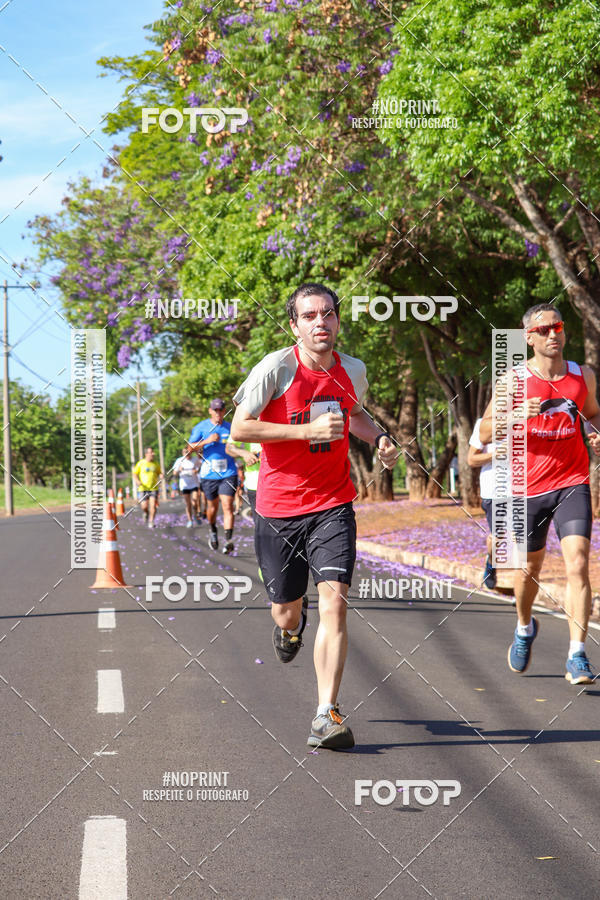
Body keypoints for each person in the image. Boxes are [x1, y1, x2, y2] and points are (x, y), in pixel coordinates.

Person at [231, 282, 397, 750]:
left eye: (328, 314)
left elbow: (354, 416)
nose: (320, 322)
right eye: (309, 316)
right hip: (279, 508)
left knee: (336, 603)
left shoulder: (353, 370)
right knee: (285, 612)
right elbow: (241, 427)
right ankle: (291, 625)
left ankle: (326, 713)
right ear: (294, 325)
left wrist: (379, 438)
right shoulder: (276, 369)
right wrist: (303, 431)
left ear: (338, 320)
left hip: (333, 504)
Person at [480, 303, 600, 685]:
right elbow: (482, 434)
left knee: (578, 562)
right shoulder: (513, 380)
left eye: (558, 327)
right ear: (528, 337)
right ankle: (524, 625)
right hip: (526, 488)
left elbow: (593, 412)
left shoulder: (583, 376)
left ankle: (577, 654)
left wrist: (595, 432)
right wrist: (516, 415)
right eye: (544, 329)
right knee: (527, 570)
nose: (553, 334)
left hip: (571, 482)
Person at [188, 399, 256, 553]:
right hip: (209, 475)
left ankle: (229, 540)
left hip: (228, 473)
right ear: (210, 411)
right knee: (212, 507)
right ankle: (212, 530)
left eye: (221, 410)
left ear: (225, 411)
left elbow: (239, 445)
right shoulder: (202, 427)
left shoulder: (230, 427)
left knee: (227, 506)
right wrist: (207, 441)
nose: (218, 413)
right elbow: (189, 447)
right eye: (215, 410)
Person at [468, 417, 497, 589]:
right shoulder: (484, 423)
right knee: (498, 537)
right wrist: (497, 455)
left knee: (521, 539)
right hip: (494, 489)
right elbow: (471, 459)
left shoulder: (528, 419)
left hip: (524, 488)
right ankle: (492, 563)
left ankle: (522, 588)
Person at [172, 445, 201, 528]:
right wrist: (178, 470)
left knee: (194, 501)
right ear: (182, 453)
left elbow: (199, 467)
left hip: (194, 484)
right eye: (185, 453)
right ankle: (190, 520)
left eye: (188, 453)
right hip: (184, 485)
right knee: (188, 504)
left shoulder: (195, 459)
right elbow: (174, 473)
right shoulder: (179, 461)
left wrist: (196, 470)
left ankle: (195, 515)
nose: (187, 454)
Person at [133, 447, 162, 529]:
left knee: (153, 505)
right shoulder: (140, 463)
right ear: (146, 454)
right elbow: (135, 474)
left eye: (153, 452)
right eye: (151, 452)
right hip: (143, 488)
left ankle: (151, 521)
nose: (153, 454)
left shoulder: (156, 463)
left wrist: (161, 475)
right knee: (144, 506)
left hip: (153, 488)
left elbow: (159, 472)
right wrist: (137, 481)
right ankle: (146, 513)